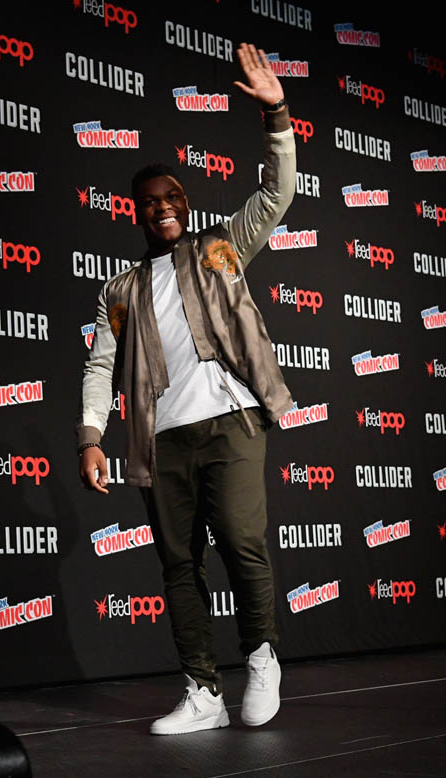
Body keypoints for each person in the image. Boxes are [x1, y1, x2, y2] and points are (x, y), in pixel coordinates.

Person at [76, 42, 296, 734]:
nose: (162, 208)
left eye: (172, 198)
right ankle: (202, 690)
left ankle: (261, 657)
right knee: (178, 564)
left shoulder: (220, 247)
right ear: (135, 214)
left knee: (242, 541)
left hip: (231, 423)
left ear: (186, 203)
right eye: (150, 203)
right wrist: (90, 437)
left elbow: (277, 193)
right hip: (161, 441)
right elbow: (100, 366)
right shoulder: (119, 290)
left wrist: (276, 115)